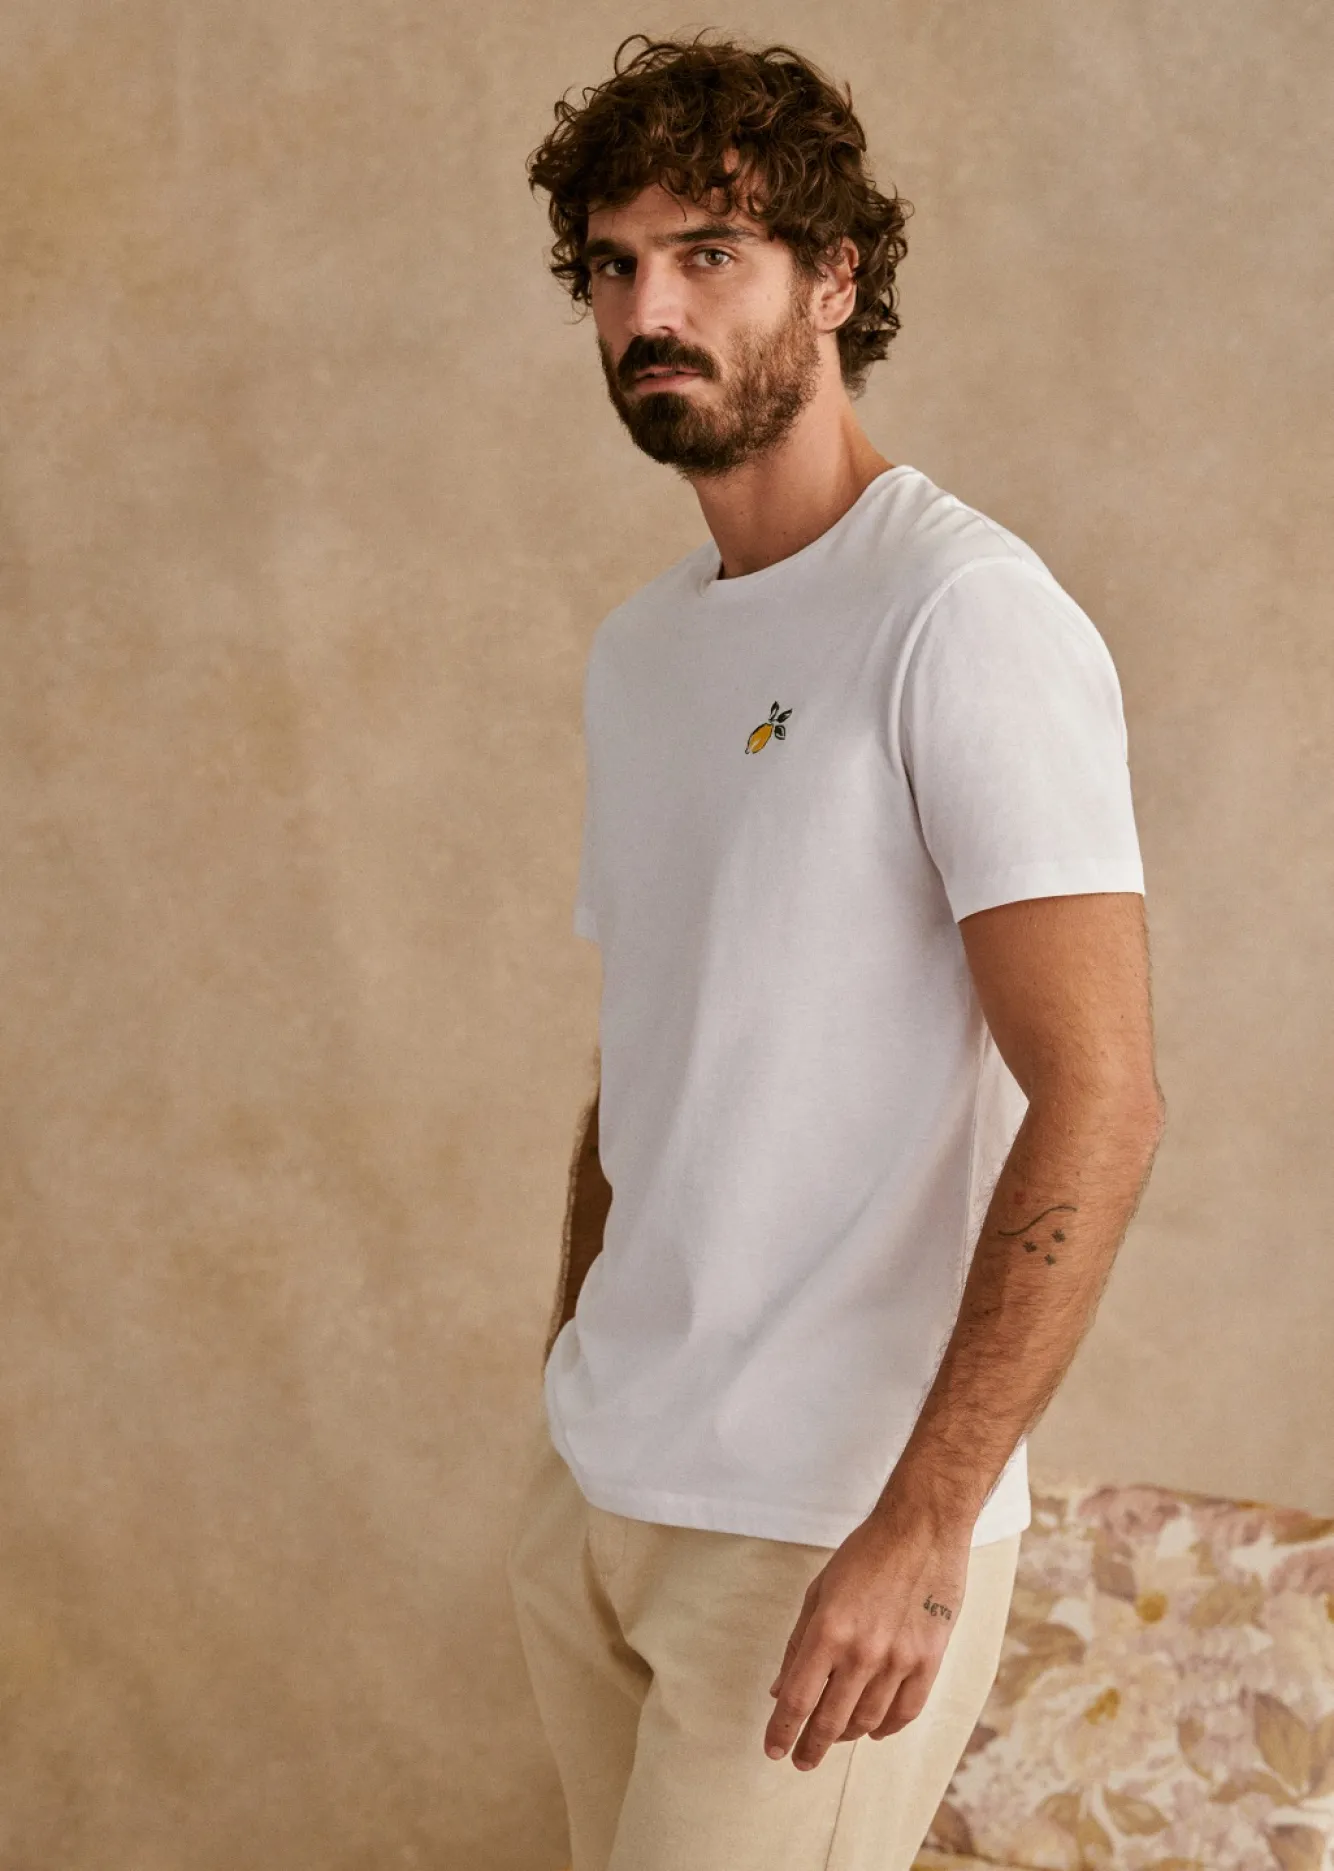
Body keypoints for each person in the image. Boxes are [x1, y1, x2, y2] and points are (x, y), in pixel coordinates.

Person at [505, 30, 1166, 1871]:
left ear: (832, 277)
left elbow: (1102, 1099)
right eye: (614, 265)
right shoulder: (643, 651)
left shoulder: (959, 614)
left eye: (707, 253)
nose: (650, 309)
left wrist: (924, 1524)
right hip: (601, 1486)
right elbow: (654, 1045)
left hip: (819, 1528)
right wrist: (571, 1377)